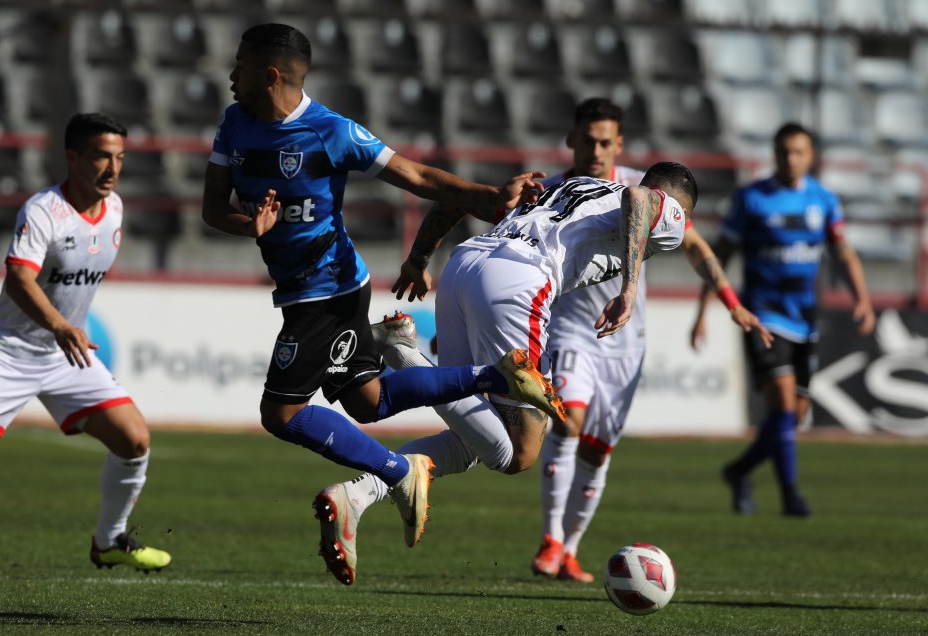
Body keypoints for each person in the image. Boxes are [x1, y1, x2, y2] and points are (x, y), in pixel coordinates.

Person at [200, 23, 553, 586]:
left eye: (239, 64)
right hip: (306, 292)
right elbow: (212, 208)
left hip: (328, 291)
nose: (230, 74)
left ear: (269, 74)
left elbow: (415, 175)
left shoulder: (330, 131)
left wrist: (490, 198)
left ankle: (396, 469)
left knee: (280, 414)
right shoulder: (234, 122)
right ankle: (495, 376)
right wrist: (250, 225)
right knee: (369, 401)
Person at [320, 161, 698, 585]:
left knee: (478, 435)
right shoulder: (668, 212)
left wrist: (419, 258)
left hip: (465, 266)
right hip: (520, 281)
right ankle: (402, 351)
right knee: (520, 453)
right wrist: (629, 288)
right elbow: (639, 197)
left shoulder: (567, 188)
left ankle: (361, 492)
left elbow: (457, 199)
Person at [527, 98, 772, 582]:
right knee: (568, 421)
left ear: (619, 144)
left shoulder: (647, 190)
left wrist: (731, 302)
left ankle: (569, 549)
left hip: (626, 342)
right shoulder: (553, 191)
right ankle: (551, 540)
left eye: (606, 142)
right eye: (588, 140)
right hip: (571, 329)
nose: (596, 150)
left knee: (597, 450)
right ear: (572, 140)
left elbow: (696, 247)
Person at [0, 113, 171, 573]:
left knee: (133, 439)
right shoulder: (43, 210)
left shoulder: (114, 208)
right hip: (8, 350)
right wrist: (61, 325)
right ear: (73, 157)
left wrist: (64, 331)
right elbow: (19, 279)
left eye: (120, 158)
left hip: (63, 355)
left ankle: (109, 540)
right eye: (101, 156)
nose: (113, 168)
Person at [692, 122, 875, 517]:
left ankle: (739, 470)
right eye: (783, 151)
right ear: (774, 155)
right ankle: (791, 495)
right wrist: (703, 310)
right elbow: (718, 257)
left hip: (805, 318)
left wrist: (862, 298)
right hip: (763, 315)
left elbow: (843, 252)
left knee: (795, 415)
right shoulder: (751, 199)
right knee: (784, 404)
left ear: (811, 156)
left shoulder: (823, 200)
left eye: (798, 152)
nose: (790, 159)